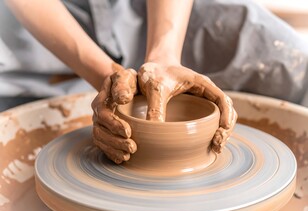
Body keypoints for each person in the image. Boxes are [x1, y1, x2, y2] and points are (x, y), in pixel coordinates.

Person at [3, 0, 308, 163]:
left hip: (143, 9)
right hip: (34, 27)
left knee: (287, 61)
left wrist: (164, 56)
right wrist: (105, 75)